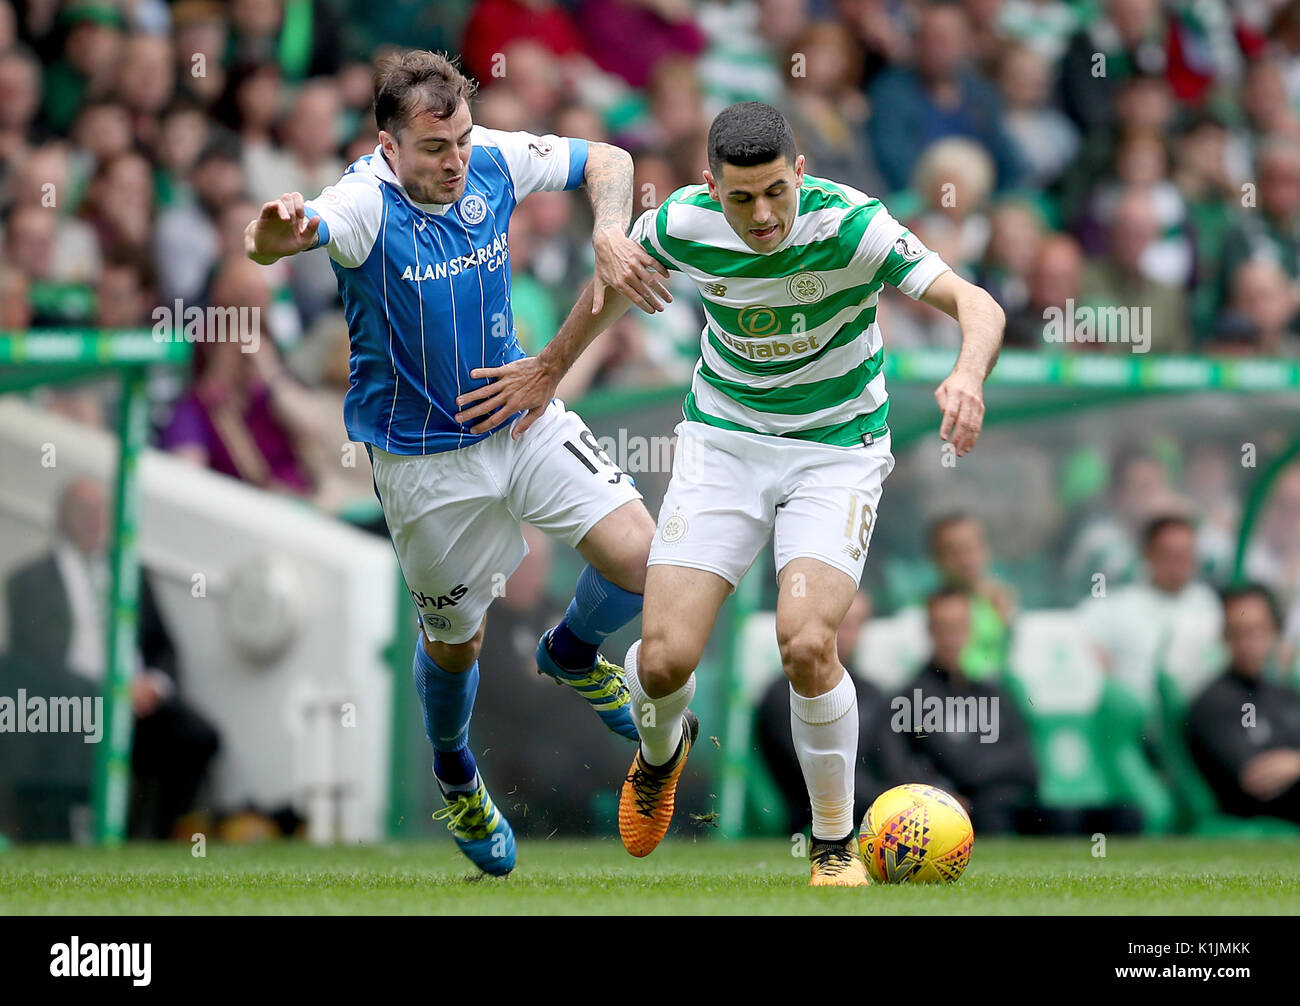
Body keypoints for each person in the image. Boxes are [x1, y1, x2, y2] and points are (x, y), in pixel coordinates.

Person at [462, 101, 1004, 884]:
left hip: (834, 453)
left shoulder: (853, 225)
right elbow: (611, 287)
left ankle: (832, 844)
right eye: (741, 197)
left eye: (777, 192)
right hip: (724, 448)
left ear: (801, 176)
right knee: (661, 664)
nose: (762, 214)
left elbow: (977, 303)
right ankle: (662, 756)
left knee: (807, 641)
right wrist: (549, 369)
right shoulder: (681, 223)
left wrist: (967, 374)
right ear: (711, 186)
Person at [243, 50, 668, 877]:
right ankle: (455, 773)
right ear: (389, 145)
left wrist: (609, 229)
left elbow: (609, 159)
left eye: (463, 141)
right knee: (456, 647)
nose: (455, 162)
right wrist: (272, 239)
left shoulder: (491, 159)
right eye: (435, 149)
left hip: (519, 411)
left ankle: (573, 651)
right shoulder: (364, 203)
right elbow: (292, 236)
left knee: (643, 556)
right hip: (424, 468)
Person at [4, 476, 220, 840]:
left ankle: (155, 844)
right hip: (74, 705)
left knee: (195, 737)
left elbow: (163, 647)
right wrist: (106, 691)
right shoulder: (29, 581)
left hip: (139, 706)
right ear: (62, 516)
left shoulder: (130, 573)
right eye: (83, 509)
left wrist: (153, 685)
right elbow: (32, 663)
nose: (94, 519)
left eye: (101, 510)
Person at [897, 589, 1038, 835]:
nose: (951, 639)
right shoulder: (912, 697)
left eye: (958, 628)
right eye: (944, 628)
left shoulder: (992, 693)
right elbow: (961, 766)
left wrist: (977, 765)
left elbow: (1028, 766)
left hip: (1005, 804)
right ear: (930, 631)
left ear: (970, 630)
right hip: (948, 816)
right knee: (989, 810)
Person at [1187, 585, 1300, 824]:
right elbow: (1257, 777)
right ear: (1225, 637)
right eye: (1239, 632)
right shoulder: (1213, 702)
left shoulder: (1286, 694)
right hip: (1257, 814)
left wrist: (1294, 764)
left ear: (1274, 632)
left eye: (1258, 630)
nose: (1249, 643)